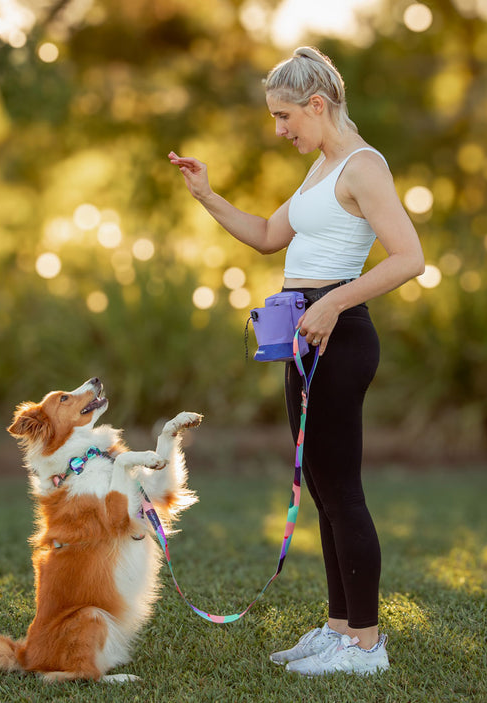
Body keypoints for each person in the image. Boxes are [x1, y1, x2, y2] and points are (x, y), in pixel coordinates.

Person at [168, 46, 424, 676]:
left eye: (285, 117)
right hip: (305, 332)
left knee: (343, 491)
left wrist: (334, 303)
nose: (279, 130)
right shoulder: (320, 168)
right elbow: (265, 236)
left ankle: (365, 644)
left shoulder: (363, 168)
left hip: (339, 334)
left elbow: (408, 258)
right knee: (323, 489)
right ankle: (339, 629)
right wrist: (206, 195)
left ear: (317, 105)